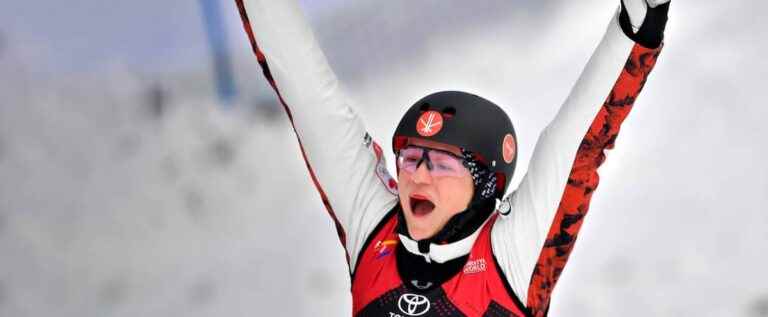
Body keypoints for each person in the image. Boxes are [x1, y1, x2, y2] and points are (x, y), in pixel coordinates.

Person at [235, 0, 670, 316]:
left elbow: (577, 145)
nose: (418, 176)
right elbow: (309, 94)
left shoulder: (509, 254)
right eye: (410, 159)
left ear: (485, 184)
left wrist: (639, 27)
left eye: (442, 163)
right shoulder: (374, 228)